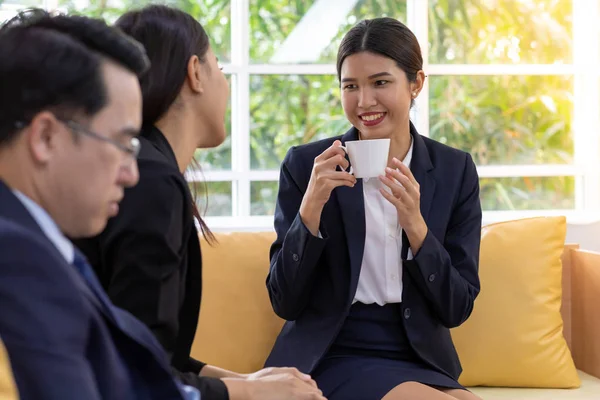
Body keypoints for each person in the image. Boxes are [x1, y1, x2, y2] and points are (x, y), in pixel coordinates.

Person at [72, 5, 325, 400]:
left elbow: (155, 355)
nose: (225, 82)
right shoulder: (150, 181)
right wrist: (254, 394)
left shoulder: (145, 168)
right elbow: (138, 377)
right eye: (219, 66)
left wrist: (248, 381)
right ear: (194, 73)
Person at [264, 17, 483, 400]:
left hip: (419, 354)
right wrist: (310, 210)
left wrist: (416, 227)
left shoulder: (454, 170)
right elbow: (285, 301)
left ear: (415, 83)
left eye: (380, 82)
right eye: (351, 86)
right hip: (333, 352)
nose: (364, 102)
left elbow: (457, 307)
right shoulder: (306, 166)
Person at [0, 8, 201, 400]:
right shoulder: (18, 255)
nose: (131, 173)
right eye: (123, 145)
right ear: (45, 138)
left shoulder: (45, 242)